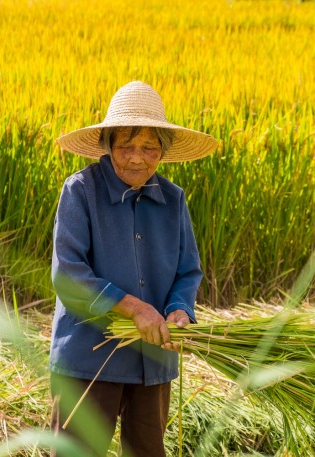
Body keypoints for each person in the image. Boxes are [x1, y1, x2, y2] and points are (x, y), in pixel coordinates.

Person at [49, 81, 218, 456]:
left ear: (164, 151)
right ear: (108, 146)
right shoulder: (80, 192)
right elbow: (68, 276)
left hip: (153, 360)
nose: (137, 158)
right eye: (127, 146)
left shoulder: (173, 201)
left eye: (149, 148)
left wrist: (179, 310)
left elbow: (188, 271)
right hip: (89, 360)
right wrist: (135, 308)